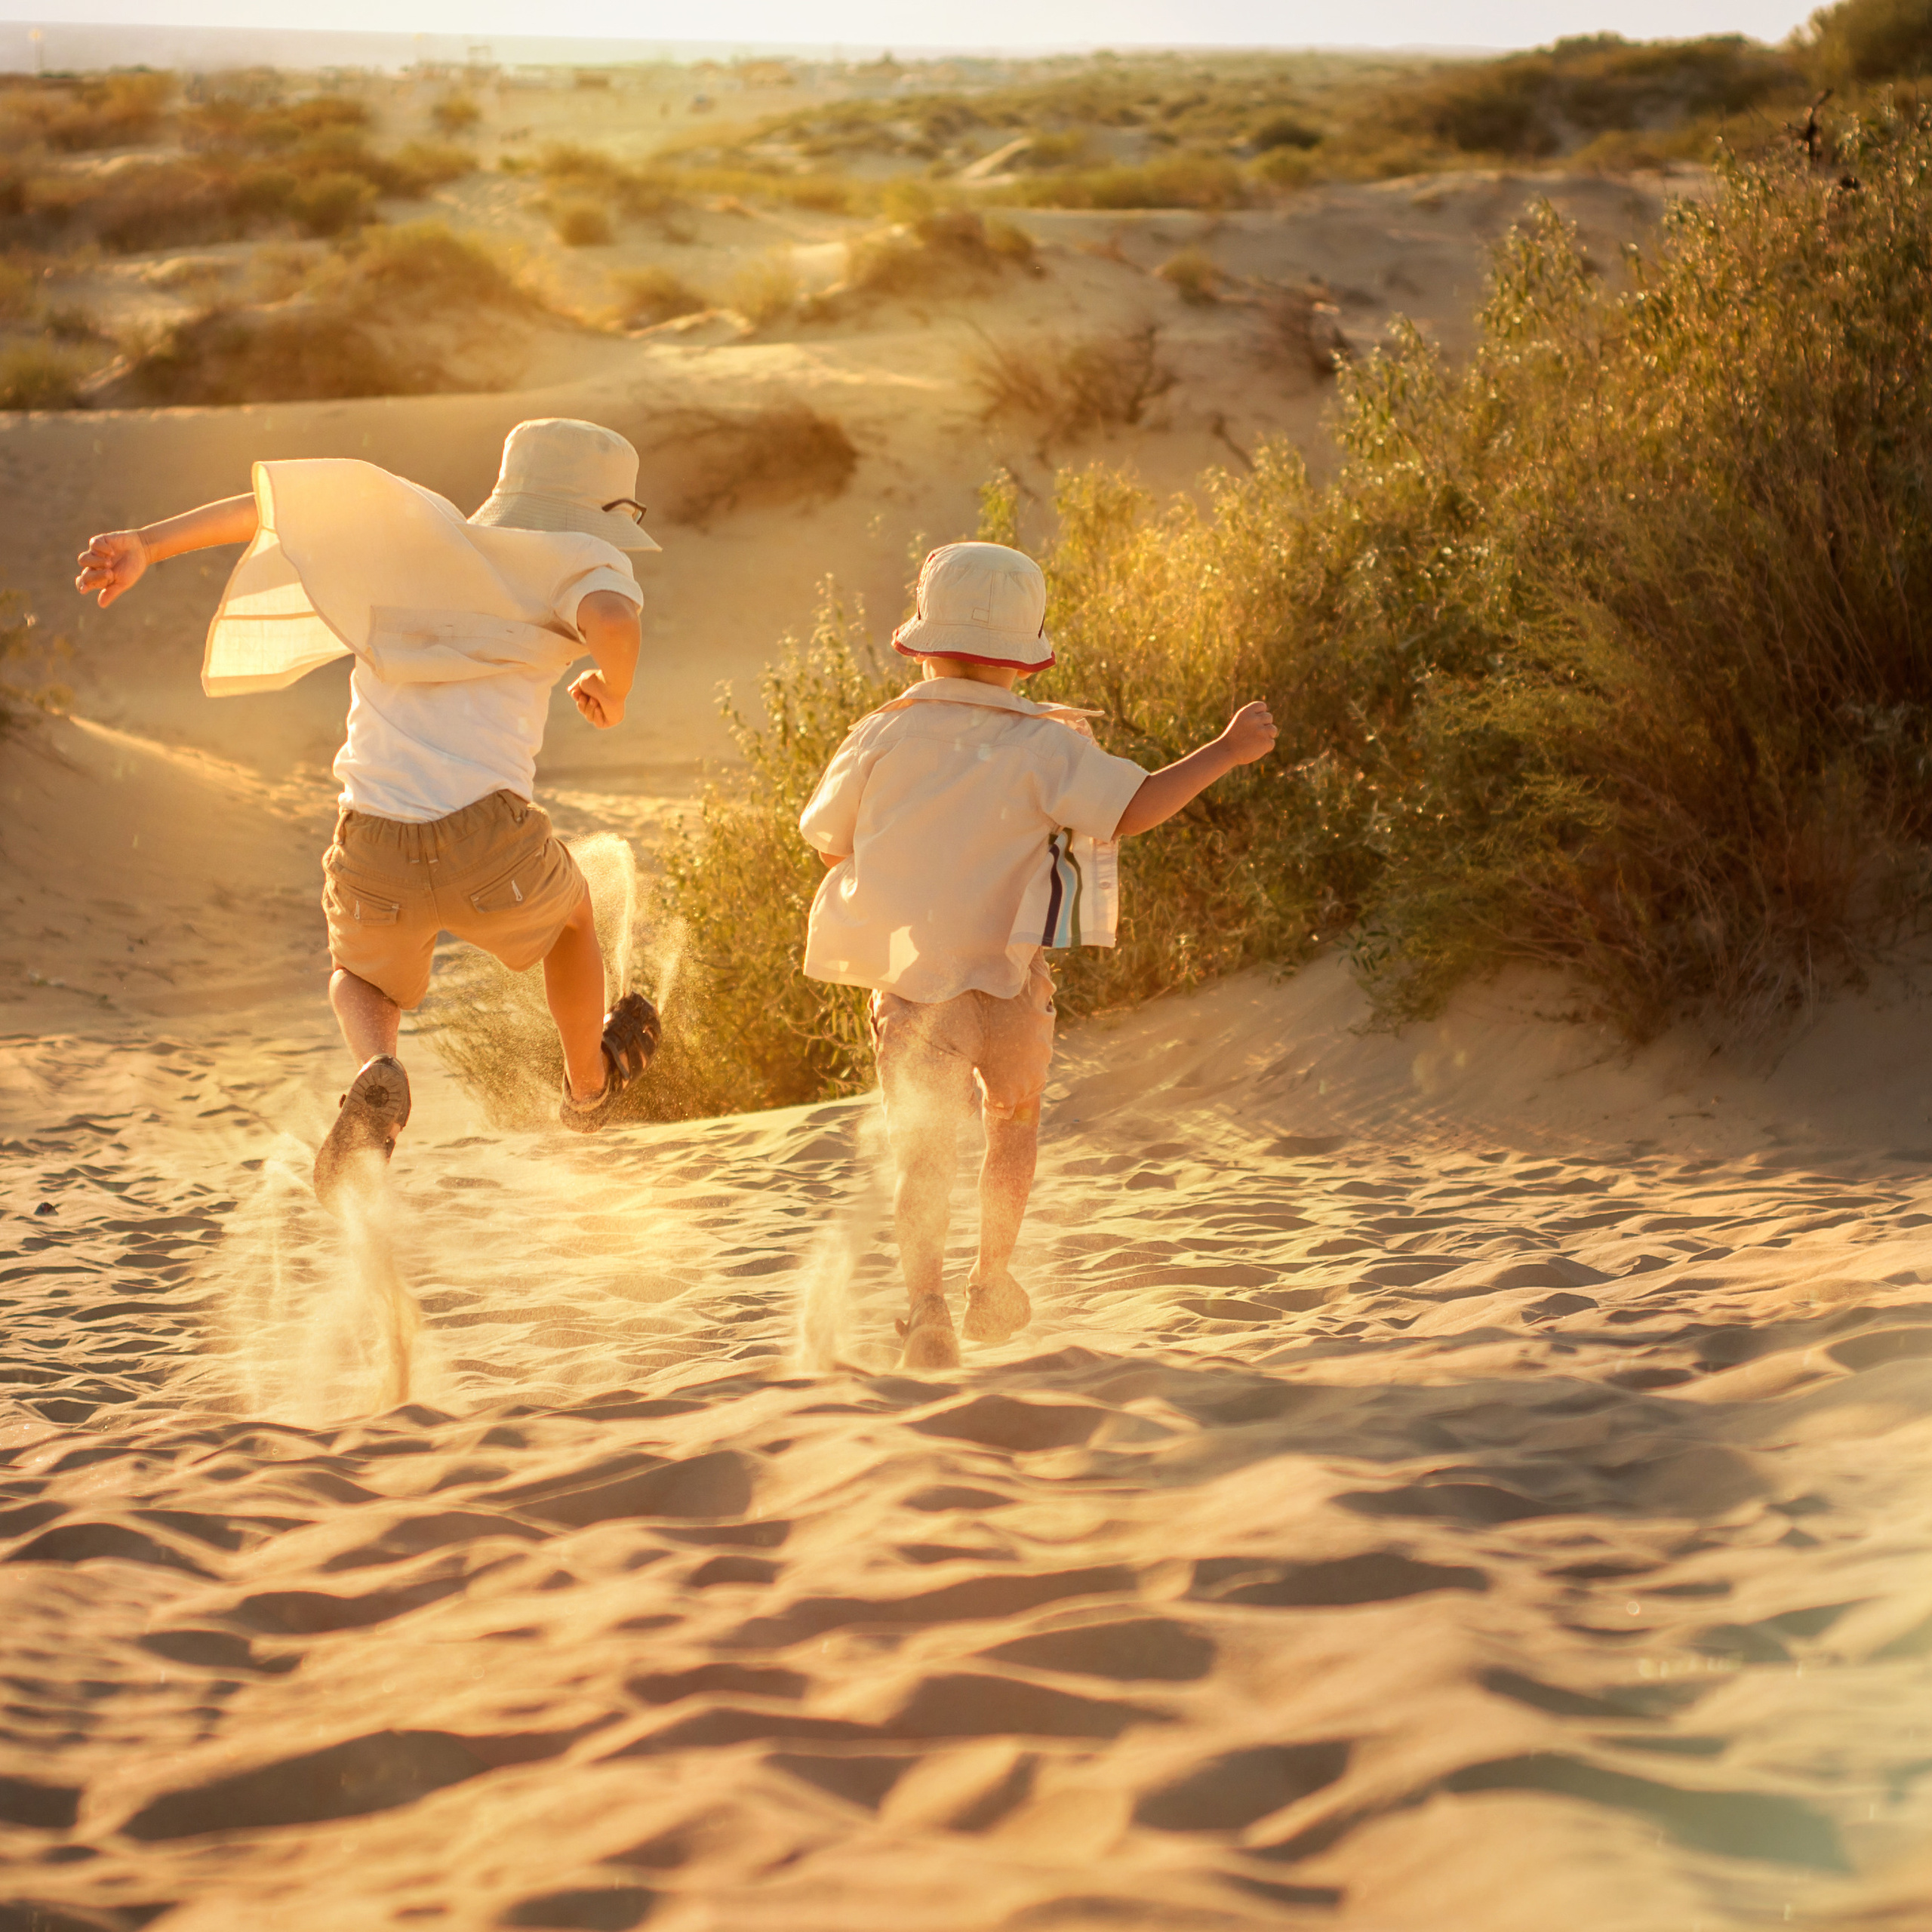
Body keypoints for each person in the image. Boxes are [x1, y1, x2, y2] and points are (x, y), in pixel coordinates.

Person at [74, 417, 663, 1209]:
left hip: (373, 837)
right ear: (600, 511)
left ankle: (375, 1068)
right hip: (492, 840)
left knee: (358, 975)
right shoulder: (580, 558)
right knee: (573, 918)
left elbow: (270, 507)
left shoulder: (414, 537)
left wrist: (147, 541)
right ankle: (588, 1088)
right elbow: (616, 623)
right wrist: (613, 690)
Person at [798, 540, 1278, 1369]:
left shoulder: (879, 734)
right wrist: (1225, 751)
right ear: (1029, 658)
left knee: (924, 1151)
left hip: (915, 994)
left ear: (918, 642)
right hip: (1013, 986)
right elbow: (1132, 808)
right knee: (1011, 1124)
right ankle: (992, 1275)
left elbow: (824, 840)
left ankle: (926, 1310)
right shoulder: (1048, 745)